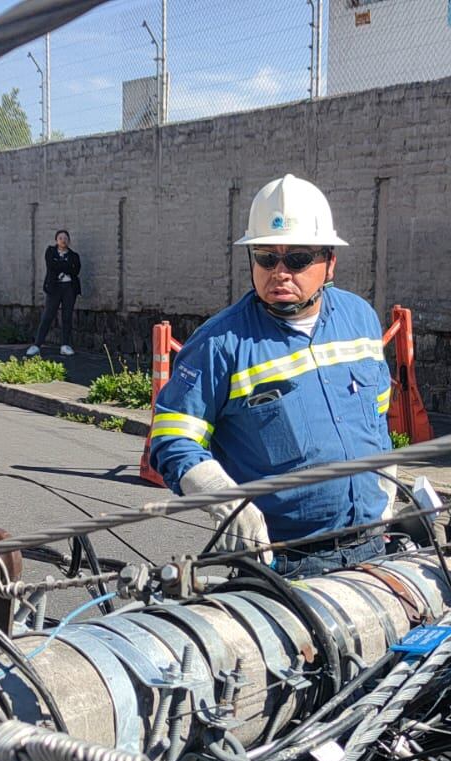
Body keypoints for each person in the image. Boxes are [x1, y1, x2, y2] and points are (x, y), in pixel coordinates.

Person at [148, 174, 395, 577]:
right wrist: (231, 503)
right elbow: (173, 440)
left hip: (373, 548)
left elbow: (378, 419)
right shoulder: (219, 343)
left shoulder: (361, 319)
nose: (280, 271)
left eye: (297, 259)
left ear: (329, 263)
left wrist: (388, 498)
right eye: (266, 257)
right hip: (284, 563)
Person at [27, 229, 81, 357]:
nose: (63, 240)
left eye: (66, 238)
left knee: (67, 316)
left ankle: (65, 345)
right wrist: (66, 266)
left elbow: (76, 270)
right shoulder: (51, 251)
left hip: (69, 288)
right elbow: (51, 265)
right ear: (56, 240)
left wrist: (62, 265)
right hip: (54, 287)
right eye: (61, 238)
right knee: (48, 316)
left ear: (69, 241)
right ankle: (37, 345)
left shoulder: (74, 255)